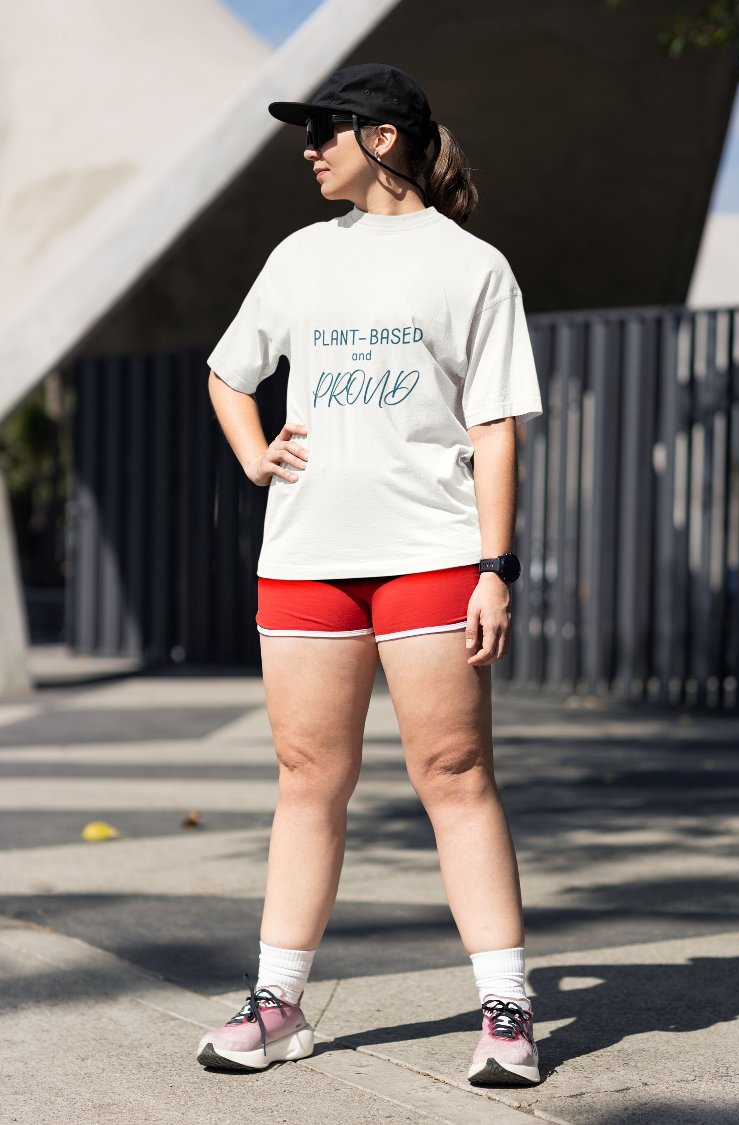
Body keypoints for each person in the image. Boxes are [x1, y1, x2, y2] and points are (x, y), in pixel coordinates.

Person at [198, 62, 543, 1088]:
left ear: (383, 140)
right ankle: (277, 1003)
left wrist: (495, 567)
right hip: (306, 559)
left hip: (432, 559)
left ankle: (510, 1012)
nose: (311, 148)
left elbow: (495, 428)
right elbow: (228, 371)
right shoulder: (301, 257)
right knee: (309, 781)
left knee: (455, 778)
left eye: (327, 130)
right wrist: (254, 452)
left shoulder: (471, 267)